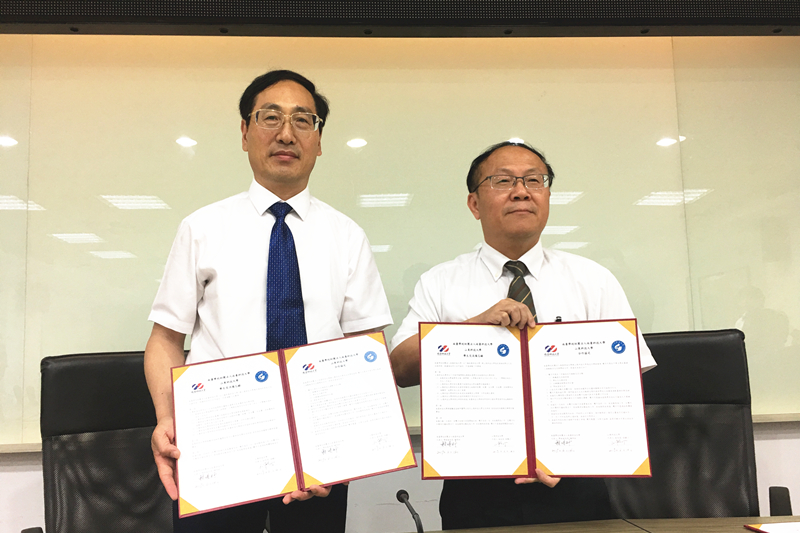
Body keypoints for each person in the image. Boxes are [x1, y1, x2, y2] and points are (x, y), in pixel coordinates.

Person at [144, 70, 392, 533]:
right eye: (270, 117)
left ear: (319, 140)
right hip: (219, 442)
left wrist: (348, 440)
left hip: (321, 454)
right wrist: (167, 418)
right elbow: (165, 340)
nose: (286, 134)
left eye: (303, 120)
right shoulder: (202, 228)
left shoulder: (347, 235)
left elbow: (366, 349)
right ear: (245, 133)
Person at [389, 140, 657, 530]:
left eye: (534, 180)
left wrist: (575, 449)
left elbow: (625, 385)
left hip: (576, 481)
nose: (521, 191)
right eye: (503, 180)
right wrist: (471, 329)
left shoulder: (593, 279)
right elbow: (400, 368)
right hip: (475, 485)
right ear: (474, 204)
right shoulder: (441, 282)